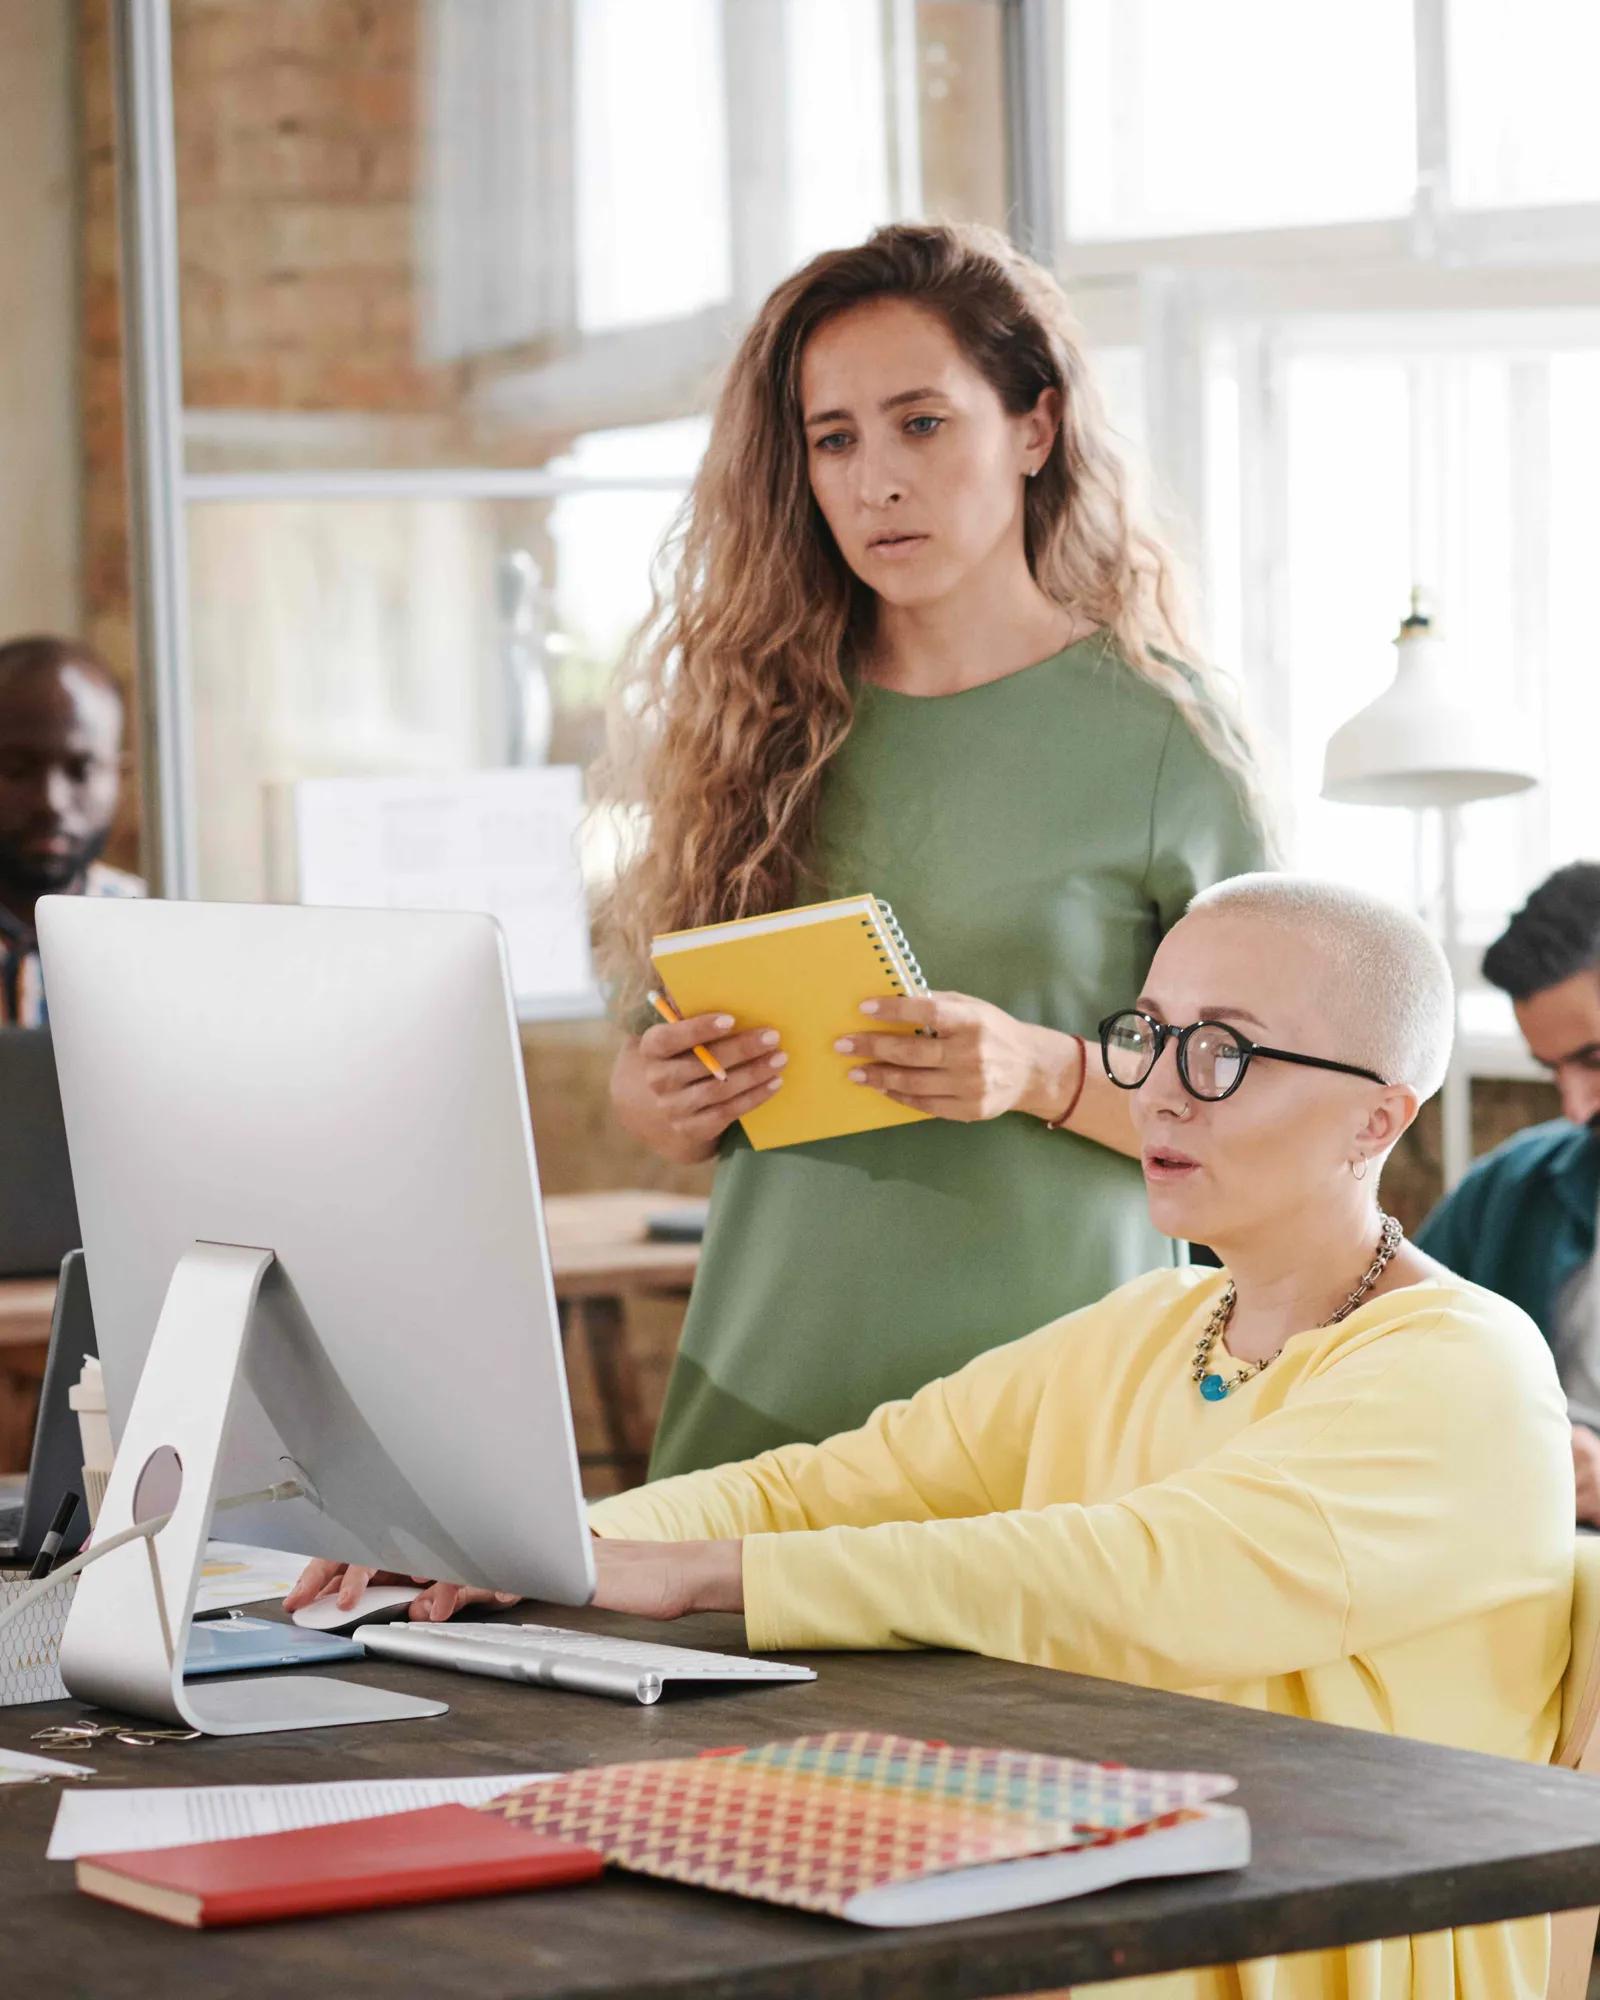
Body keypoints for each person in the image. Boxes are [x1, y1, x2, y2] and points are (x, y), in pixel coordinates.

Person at [289, 873, 1573, 2000]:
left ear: (1379, 1119)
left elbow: (1141, 1575)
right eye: (1149, 1035)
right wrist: (534, 1537)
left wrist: (692, 1571)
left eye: (1224, 1052)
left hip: (1297, 1929)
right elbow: (830, 1486)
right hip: (1088, 1884)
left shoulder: (1463, 1365)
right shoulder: (1157, 1319)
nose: (1160, 1093)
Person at [595, 221, 1274, 1479]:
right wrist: (665, 1099)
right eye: (833, 439)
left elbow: (1280, 1113)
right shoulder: (750, 729)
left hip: (1050, 1423)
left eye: (921, 423)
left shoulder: (1166, 739)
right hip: (759, 1408)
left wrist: (1042, 1070)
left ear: (1034, 427)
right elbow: (657, 1084)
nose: (874, 481)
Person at [1416, 862, 1600, 1522]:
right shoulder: (1512, 1187)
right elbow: (1383, 1354)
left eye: (1594, 1060)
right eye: (1553, 1069)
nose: (1576, 1107)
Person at [0, 635, 144, 1026]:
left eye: (81, 770)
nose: (52, 802)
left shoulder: (156, 932)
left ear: (120, 775)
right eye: (16, 768)